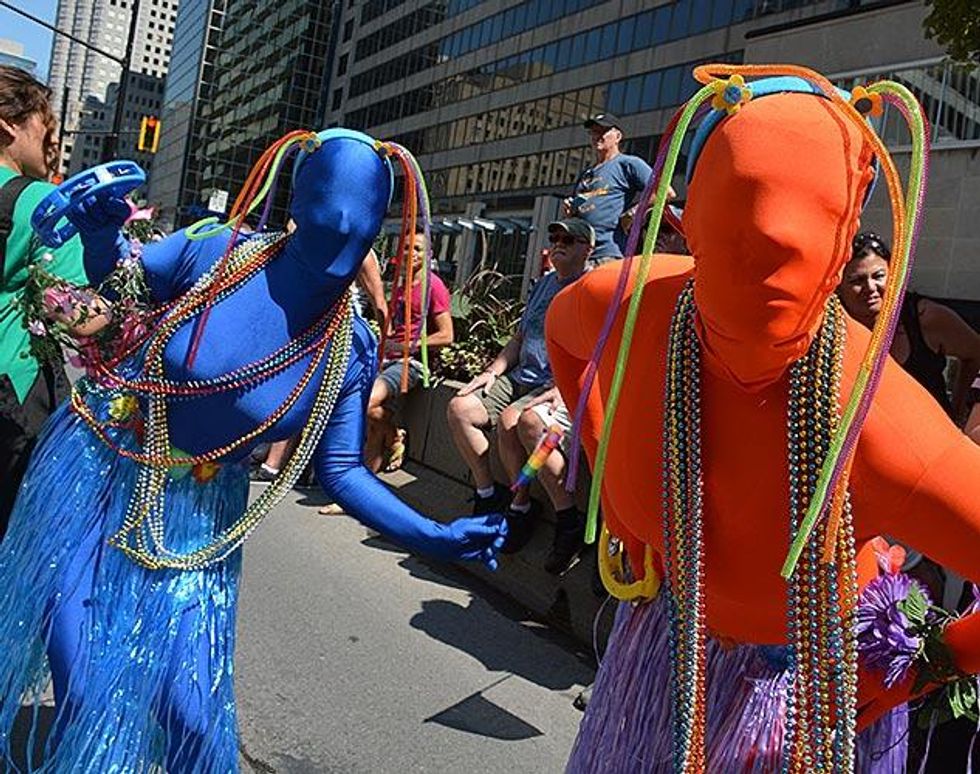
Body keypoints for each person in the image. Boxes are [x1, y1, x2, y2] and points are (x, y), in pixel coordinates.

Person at [0, 130, 505, 771]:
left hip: (198, 515)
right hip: (102, 465)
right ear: (299, 205)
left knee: (191, 713)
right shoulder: (217, 250)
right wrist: (101, 238)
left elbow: (342, 471)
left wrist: (435, 536)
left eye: (358, 230)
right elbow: (119, 289)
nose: (341, 238)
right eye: (327, 220)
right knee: (84, 671)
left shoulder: (348, 344)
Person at [547, 68, 980, 771]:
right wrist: (602, 464)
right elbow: (567, 340)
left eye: (810, 219)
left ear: (845, 238)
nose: (775, 239)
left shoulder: (878, 423)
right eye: (742, 209)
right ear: (688, 222)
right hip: (661, 651)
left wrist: (932, 664)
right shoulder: (625, 308)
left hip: (808, 698)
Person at [447, 218, 593, 565]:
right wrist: (492, 371)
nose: (558, 243)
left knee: (516, 421)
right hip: (519, 375)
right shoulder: (544, 283)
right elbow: (520, 337)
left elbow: (597, 349)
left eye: (568, 239)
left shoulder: (591, 288)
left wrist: (565, 387)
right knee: (459, 408)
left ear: (588, 249)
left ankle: (523, 506)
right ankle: (489, 494)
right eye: (554, 236)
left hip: (555, 386)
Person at [0, 65, 93, 539]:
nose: (52, 138)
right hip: (11, 397)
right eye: (45, 121)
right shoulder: (40, 202)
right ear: (8, 126)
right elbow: (78, 315)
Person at [837, 230, 980, 420]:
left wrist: (959, 409)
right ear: (838, 286)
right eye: (857, 280)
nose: (870, 287)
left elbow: (975, 352)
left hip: (929, 429)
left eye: (878, 276)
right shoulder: (833, 328)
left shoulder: (925, 318)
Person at [365, 228, 453, 474]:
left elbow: (447, 335)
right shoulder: (400, 284)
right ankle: (367, 477)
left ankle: (395, 436)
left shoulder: (433, 286)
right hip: (387, 358)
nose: (411, 253)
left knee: (368, 401)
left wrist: (405, 346)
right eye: (406, 247)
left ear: (429, 254)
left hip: (412, 362)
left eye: (417, 249)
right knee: (371, 423)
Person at [562, 113, 652, 263]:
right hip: (579, 255)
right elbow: (577, 212)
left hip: (608, 254)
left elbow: (665, 191)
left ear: (618, 136)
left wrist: (633, 212)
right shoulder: (586, 174)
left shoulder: (628, 164)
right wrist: (569, 212)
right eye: (594, 132)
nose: (597, 136)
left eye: (603, 131)